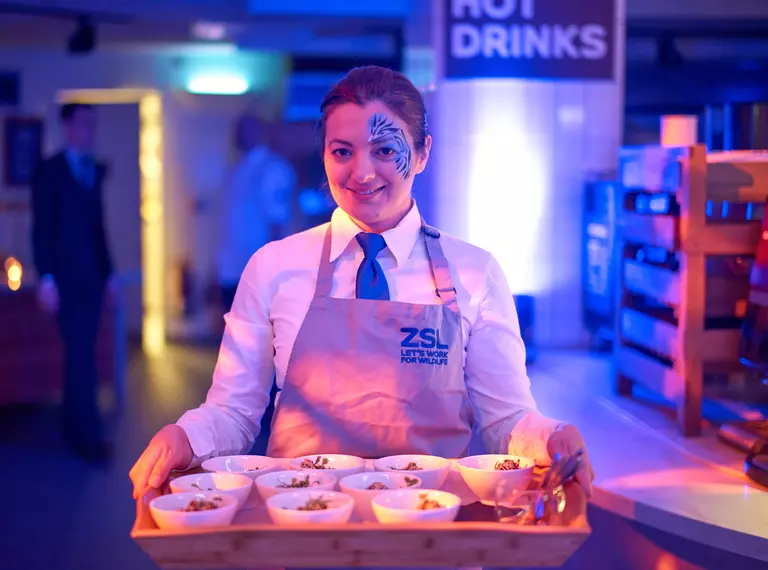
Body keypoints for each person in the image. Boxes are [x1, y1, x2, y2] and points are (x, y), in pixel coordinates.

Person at [130, 66, 595, 499]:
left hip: (434, 531)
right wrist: (184, 436)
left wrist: (550, 437)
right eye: (342, 152)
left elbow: (506, 419)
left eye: (385, 150)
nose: (362, 173)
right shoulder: (273, 267)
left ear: (422, 152)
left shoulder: (475, 272)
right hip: (303, 524)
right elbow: (234, 412)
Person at [31, 103, 117, 462]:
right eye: (83, 123)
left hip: (93, 279)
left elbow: (99, 228)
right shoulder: (49, 170)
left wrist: (109, 274)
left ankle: (71, 427)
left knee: (80, 354)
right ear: (67, 126)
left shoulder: (92, 171)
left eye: (92, 124)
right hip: (65, 280)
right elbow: (41, 229)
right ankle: (89, 439)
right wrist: (46, 278)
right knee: (82, 357)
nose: (89, 130)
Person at [217, 114, 296, 313]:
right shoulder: (238, 169)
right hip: (233, 265)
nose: (240, 135)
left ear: (260, 132)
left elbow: (278, 221)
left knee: (260, 335)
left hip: (257, 270)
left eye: (247, 129)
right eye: (239, 130)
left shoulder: (272, 168)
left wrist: (270, 270)